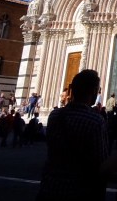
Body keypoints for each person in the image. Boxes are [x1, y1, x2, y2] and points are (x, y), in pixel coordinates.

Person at [37, 69, 109, 201]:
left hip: (50, 187)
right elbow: (100, 161)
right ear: (94, 91)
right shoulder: (95, 121)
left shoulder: (54, 116)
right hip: (79, 190)